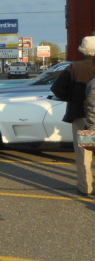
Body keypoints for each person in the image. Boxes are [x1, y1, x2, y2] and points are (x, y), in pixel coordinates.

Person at [51, 35, 95, 195]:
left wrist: (72, 97)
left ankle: (86, 187)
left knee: (85, 154)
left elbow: (57, 89)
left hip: (82, 116)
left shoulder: (74, 68)